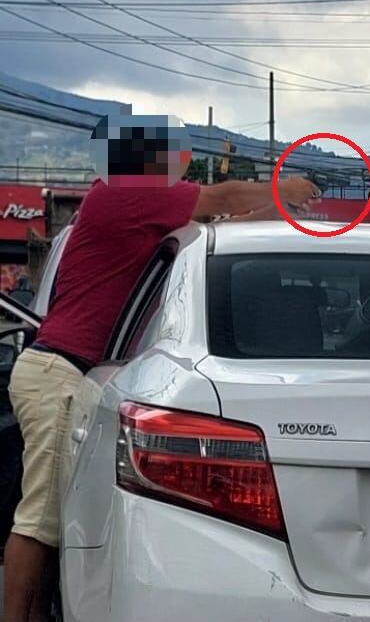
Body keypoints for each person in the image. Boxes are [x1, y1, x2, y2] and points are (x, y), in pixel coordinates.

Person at [3, 133, 319, 622]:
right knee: (40, 519)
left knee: (56, 521)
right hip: (59, 371)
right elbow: (227, 198)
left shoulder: (134, 205)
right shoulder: (129, 192)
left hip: (69, 371)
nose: (180, 169)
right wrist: (286, 187)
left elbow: (219, 224)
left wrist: (284, 212)